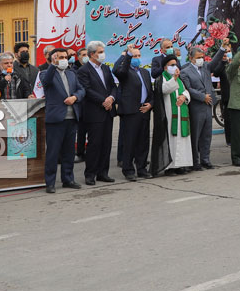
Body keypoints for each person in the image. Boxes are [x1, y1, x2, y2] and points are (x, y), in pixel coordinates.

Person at [39, 48, 84, 193]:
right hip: (56, 120)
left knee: (69, 152)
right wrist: (53, 64)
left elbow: (81, 89)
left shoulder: (72, 74)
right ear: (53, 59)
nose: (64, 59)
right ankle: (50, 183)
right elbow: (46, 82)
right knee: (53, 152)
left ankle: (68, 178)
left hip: (72, 118)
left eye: (65, 57)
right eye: (60, 57)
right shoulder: (46, 73)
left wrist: (75, 97)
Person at [76, 41, 117, 185]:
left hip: (108, 110)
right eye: (100, 52)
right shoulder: (84, 70)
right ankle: (90, 174)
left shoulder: (105, 68)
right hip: (94, 112)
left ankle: (103, 173)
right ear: (92, 54)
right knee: (94, 144)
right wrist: (103, 101)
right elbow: (87, 90)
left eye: (102, 51)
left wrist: (111, 98)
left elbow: (113, 86)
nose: (102, 54)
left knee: (106, 144)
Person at [179, 46, 225, 169]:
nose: (201, 60)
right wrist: (202, 96)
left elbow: (215, 61)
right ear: (191, 58)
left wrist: (222, 48)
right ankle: (195, 161)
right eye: (198, 58)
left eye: (202, 57)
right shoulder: (185, 71)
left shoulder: (205, 67)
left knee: (206, 134)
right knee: (196, 135)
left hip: (208, 105)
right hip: (196, 106)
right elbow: (188, 89)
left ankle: (206, 159)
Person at [113, 47, 154, 180]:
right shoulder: (125, 72)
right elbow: (118, 71)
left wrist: (151, 104)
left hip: (144, 111)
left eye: (138, 55)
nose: (137, 58)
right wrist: (127, 56)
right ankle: (128, 170)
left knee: (143, 142)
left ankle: (142, 168)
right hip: (131, 111)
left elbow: (150, 92)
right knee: (129, 142)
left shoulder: (145, 72)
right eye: (134, 56)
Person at [158, 55, 193, 174]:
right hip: (169, 115)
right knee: (172, 141)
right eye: (171, 65)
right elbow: (164, 90)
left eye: (175, 65)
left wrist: (184, 97)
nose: (174, 67)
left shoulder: (179, 79)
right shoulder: (162, 78)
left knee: (181, 140)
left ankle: (180, 165)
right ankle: (170, 166)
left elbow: (185, 91)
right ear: (165, 67)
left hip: (181, 114)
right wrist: (173, 78)